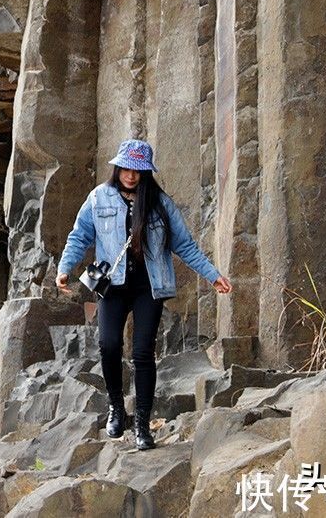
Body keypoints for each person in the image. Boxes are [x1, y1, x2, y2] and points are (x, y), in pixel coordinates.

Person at [55, 139, 232, 450]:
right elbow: (80, 236)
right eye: (126, 167)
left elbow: (185, 245)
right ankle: (116, 408)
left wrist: (213, 275)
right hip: (112, 284)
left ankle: (142, 425)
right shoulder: (98, 198)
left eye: (138, 169)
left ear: (146, 172)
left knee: (142, 354)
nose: (131, 175)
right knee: (109, 346)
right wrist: (65, 268)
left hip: (150, 287)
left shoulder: (160, 203)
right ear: (117, 166)